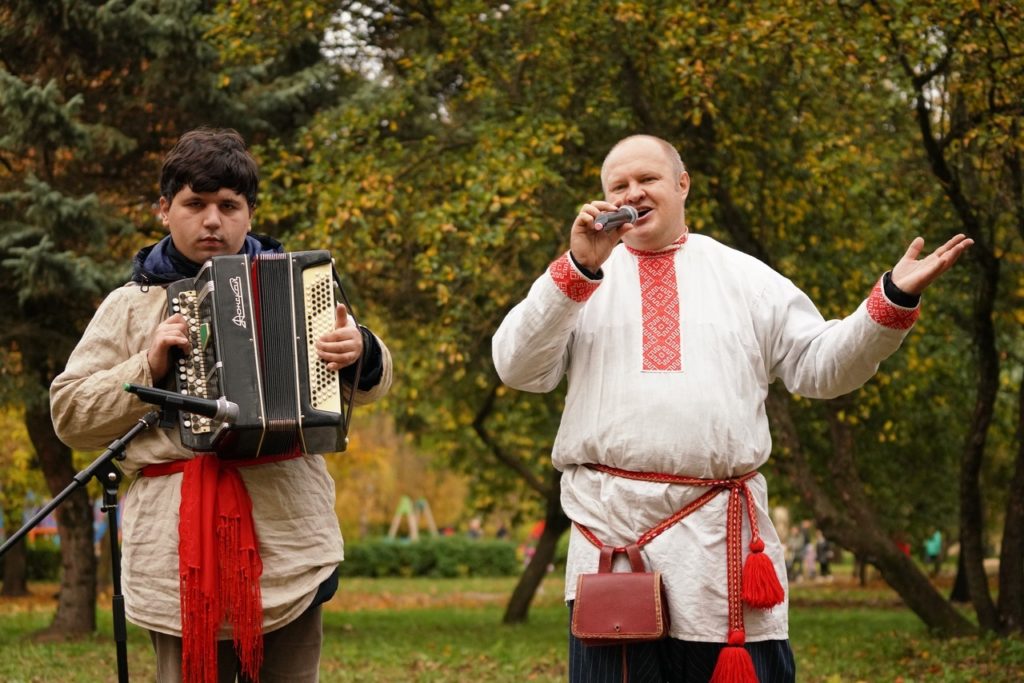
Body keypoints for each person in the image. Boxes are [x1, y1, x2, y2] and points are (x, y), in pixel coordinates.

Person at [491, 134, 972, 683]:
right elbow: (517, 367)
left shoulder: (747, 278)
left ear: (682, 184)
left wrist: (890, 301)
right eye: (618, 186)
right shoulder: (579, 279)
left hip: (718, 541)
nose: (633, 193)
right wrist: (578, 267)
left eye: (647, 179)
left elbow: (822, 368)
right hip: (612, 539)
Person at [50, 128, 393, 683]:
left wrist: (361, 350)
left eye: (229, 206)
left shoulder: (302, 286)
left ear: (249, 214)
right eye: (195, 204)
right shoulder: (128, 305)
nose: (212, 220)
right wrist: (148, 365)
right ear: (165, 210)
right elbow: (68, 413)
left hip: (286, 537)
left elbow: (370, 385)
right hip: (176, 546)